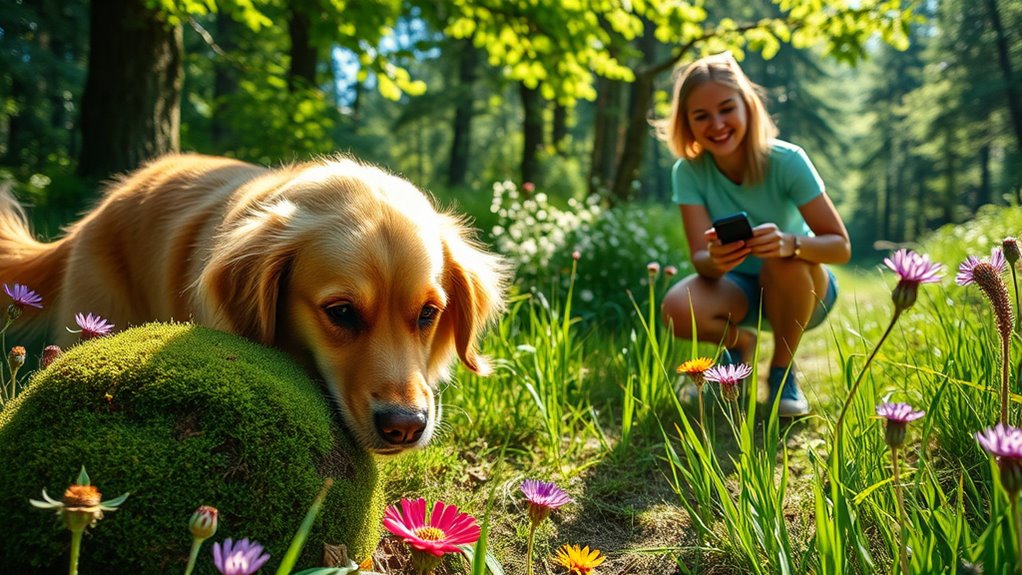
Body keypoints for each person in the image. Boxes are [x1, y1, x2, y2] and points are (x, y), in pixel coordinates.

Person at [657, 52, 851, 417]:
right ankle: (739, 344)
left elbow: (840, 247)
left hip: (805, 289)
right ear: (687, 123)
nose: (716, 124)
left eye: (726, 108)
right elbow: (701, 260)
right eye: (701, 116)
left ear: (748, 106)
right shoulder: (689, 172)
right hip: (739, 288)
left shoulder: (788, 160)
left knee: (784, 262)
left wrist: (790, 243)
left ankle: (781, 371)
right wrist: (715, 261)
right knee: (675, 309)